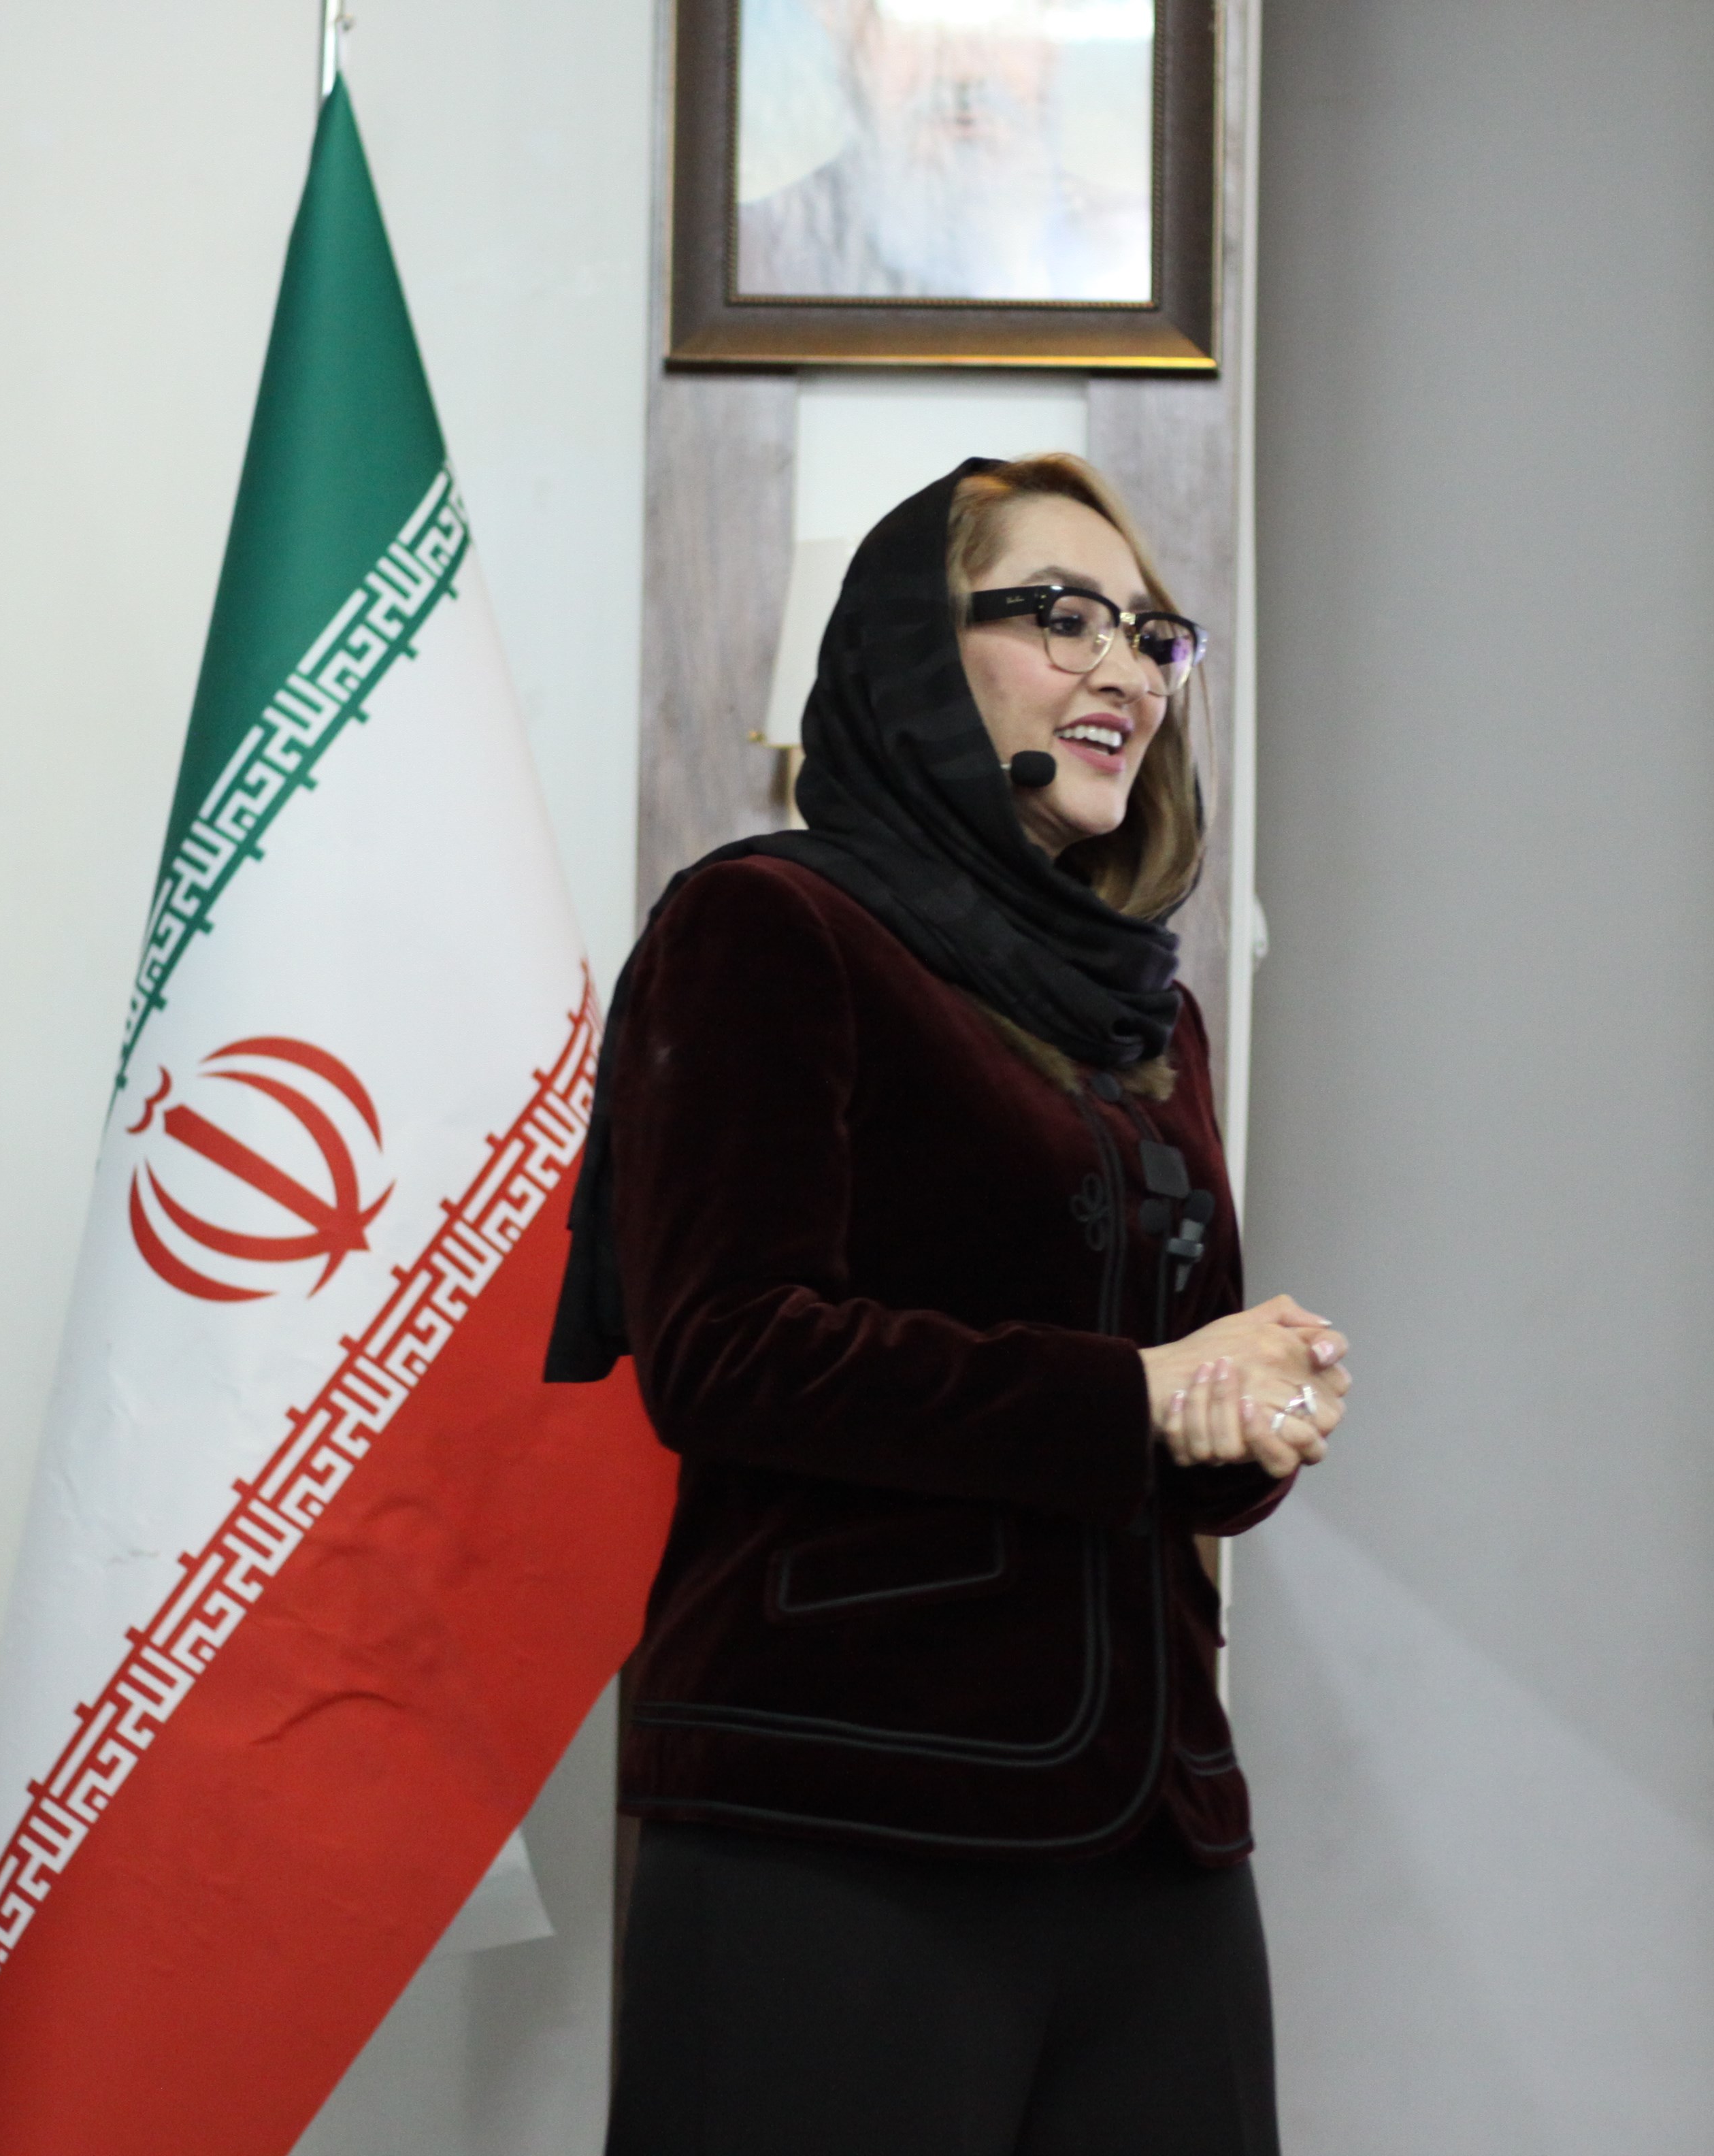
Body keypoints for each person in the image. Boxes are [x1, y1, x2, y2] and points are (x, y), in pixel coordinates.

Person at [548, 453, 1347, 2155]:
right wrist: (1142, 1393)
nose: (1126, 669)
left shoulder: (1148, 1014)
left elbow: (1167, 1412)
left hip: (1153, 1824)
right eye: (1063, 617)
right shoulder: (771, 926)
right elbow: (728, 1352)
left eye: (1151, 635)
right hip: (838, 1815)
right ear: (920, 653)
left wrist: (1250, 1411)